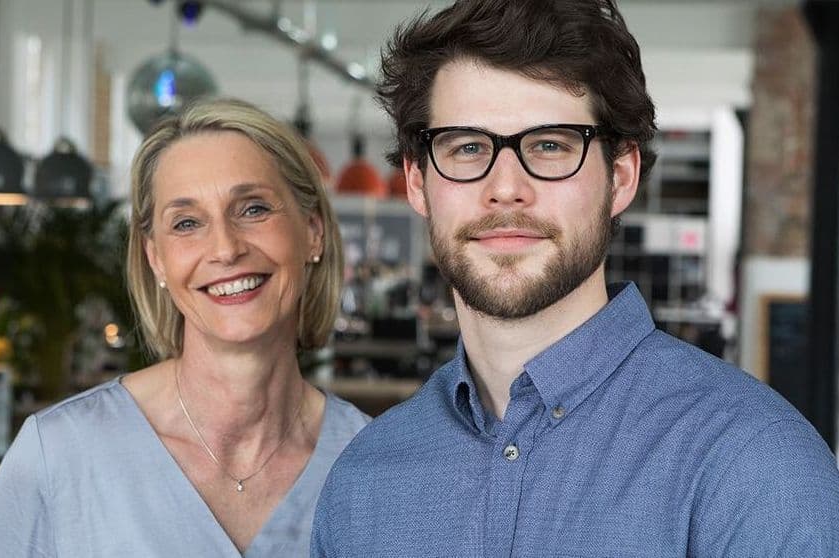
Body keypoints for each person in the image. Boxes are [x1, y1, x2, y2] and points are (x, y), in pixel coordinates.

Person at [312, 1, 839, 556]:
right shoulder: (364, 482)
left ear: (621, 175)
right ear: (418, 182)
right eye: (467, 147)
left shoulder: (752, 464)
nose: (506, 187)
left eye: (550, 146)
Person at [0, 98, 369, 557]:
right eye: (186, 222)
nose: (225, 248)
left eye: (253, 209)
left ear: (313, 230)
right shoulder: (59, 454)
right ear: (155, 257)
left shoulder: (375, 464)